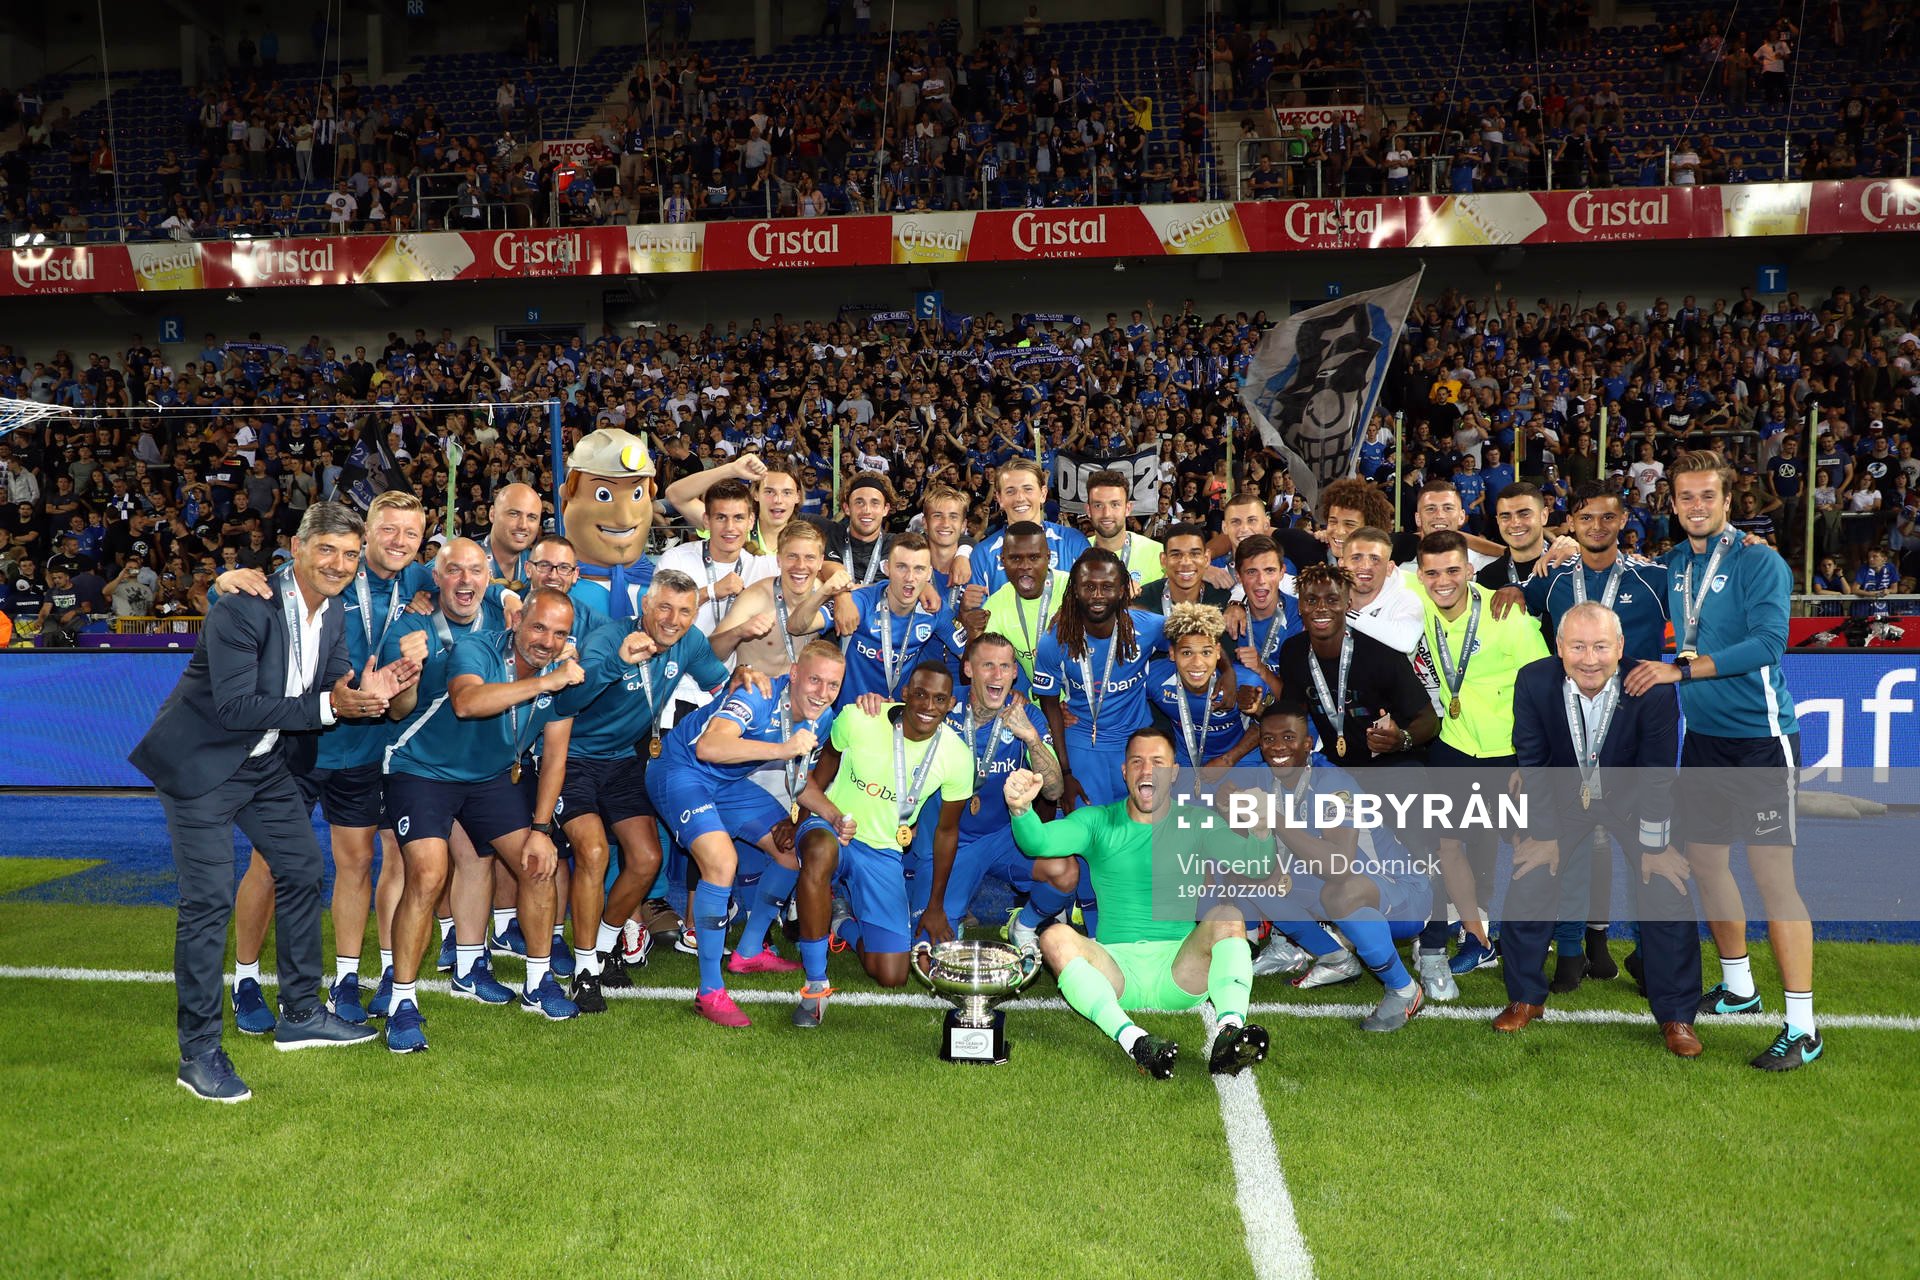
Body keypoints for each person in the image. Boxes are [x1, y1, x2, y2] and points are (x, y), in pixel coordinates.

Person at [130, 503, 400, 1102]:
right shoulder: (242, 605)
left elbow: (334, 678)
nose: (339, 563)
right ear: (297, 548)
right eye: (326, 549)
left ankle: (301, 1013)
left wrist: (366, 690)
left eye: (350, 554)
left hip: (264, 765)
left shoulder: (333, 615)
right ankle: (198, 1053)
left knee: (302, 868)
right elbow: (234, 709)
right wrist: (335, 708)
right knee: (207, 901)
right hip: (202, 765)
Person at [213, 490, 434, 1031]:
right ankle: (244, 980)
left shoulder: (419, 581)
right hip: (297, 744)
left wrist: (510, 599)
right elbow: (250, 593)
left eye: (411, 533)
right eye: (388, 530)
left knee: (357, 864)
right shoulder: (320, 573)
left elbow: (479, 583)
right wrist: (224, 581)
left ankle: (345, 980)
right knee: (269, 864)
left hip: (361, 751)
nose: (399, 542)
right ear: (367, 532)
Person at [1627, 450, 1819, 1070]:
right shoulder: (1675, 562)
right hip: (1705, 740)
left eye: (1708, 496)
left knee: (1773, 881)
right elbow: (1611, 572)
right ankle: (1740, 989)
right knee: (1706, 862)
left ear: (1728, 500)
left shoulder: (1760, 562)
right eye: (1685, 498)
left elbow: (1767, 644)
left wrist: (1678, 668)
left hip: (1762, 743)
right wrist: (1555, 554)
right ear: (1673, 502)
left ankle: (1803, 1027)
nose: (1696, 507)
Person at [380, 585, 587, 1051]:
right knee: (429, 873)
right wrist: (544, 683)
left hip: (489, 777)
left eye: (559, 634)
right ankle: (401, 1003)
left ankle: (537, 982)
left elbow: (555, 757)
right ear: (516, 621)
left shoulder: (565, 674)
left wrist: (540, 831)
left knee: (539, 866)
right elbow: (466, 703)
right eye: (537, 627)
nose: (546, 641)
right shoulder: (476, 646)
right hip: (422, 768)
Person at [1001, 729, 1270, 1079]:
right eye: (1137, 762)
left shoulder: (1197, 822)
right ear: (1124, 771)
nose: (1147, 771)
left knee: (1228, 916)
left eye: (1157, 762)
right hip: (1116, 974)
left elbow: (1257, 866)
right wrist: (1020, 810)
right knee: (1053, 936)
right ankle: (1136, 1041)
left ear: (1173, 772)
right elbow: (1037, 843)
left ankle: (1231, 1031)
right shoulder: (1098, 821)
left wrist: (1262, 831)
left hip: (1181, 971)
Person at [548, 570, 753, 1012]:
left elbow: (720, 683)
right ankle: (583, 971)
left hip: (624, 759)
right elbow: (564, 703)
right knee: (594, 853)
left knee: (646, 859)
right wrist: (619, 661)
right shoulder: (608, 639)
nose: (673, 619)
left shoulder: (690, 641)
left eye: (683, 611)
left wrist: (744, 680)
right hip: (574, 759)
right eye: (663, 607)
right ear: (645, 607)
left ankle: (602, 950)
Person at [1504, 603, 1702, 1056]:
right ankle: (1525, 997)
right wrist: (1544, 835)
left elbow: (1656, 774)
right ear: (1559, 648)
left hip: (1633, 803)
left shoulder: (1650, 689)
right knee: (1528, 876)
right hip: (1562, 800)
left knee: (1667, 887)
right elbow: (1532, 763)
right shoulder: (1534, 681)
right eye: (1577, 646)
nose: (1589, 659)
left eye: (1599, 647)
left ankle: (1676, 1015)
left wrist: (1654, 846)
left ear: (1621, 647)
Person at [646, 640, 842, 1027]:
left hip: (726, 785)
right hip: (680, 771)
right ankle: (709, 992)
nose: (823, 693)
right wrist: (785, 747)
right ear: (794, 675)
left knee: (791, 853)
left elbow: (798, 782)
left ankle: (749, 951)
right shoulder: (757, 693)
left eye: (833, 685)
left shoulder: (824, 716)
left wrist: (833, 815)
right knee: (722, 862)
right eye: (815, 680)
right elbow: (708, 746)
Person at [791, 662, 973, 1022]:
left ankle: (840, 922)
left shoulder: (958, 756)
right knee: (819, 852)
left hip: (884, 852)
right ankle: (815, 987)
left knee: (892, 974)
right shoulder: (859, 717)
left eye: (939, 699)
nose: (927, 705)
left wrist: (935, 906)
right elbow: (822, 771)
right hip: (833, 828)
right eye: (920, 694)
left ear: (951, 704)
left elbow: (947, 832)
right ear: (905, 693)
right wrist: (795, 816)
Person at [1411, 530, 1549, 996]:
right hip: (1452, 748)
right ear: (1419, 574)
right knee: (1449, 846)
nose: (1442, 581)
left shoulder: (1507, 613)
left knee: (1530, 849)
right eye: (1431, 572)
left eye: (1453, 570)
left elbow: (1546, 690)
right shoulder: (1416, 601)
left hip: (1509, 755)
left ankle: (1525, 938)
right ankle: (1476, 936)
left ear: (1470, 570)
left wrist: (1530, 761)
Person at [1236, 703, 1429, 1032]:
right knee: (1246, 873)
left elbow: (1339, 866)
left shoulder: (1333, 784)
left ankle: (1403, 989)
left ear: (1308, 743)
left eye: (1288, 738)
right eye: (1268, 739)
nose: (1277, 747)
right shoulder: (1266, 781)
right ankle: (1336, 958)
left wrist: (1274, 821)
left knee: (1340, 892)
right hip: (1341, 884)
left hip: (1402, 892)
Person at [915, 633, 1065, 948]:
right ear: (968, 669)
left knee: (1064, 872)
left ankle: (1024, 925)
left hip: (1003, 836)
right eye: (987, 666)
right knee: (926, 950)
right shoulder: (942, 703)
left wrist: (1032, 738)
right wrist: (870, 703)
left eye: (1004, 667)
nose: (997, 675)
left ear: (1014, 672)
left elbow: (1054, 791)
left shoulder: (1026, 715)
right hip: (948, 841)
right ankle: (847, 917)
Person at [1276, 562, 1437, 770]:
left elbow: (1430, 720)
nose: (1321, 608)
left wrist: (1402, 739)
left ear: (1348, 604)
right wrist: (1260, 709)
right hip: (1335, 764)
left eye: (1332, 600)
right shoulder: (1293, 651)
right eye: (1311, 600)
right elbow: (1294, 714)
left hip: (1393, 762)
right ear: (1300, 606)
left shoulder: (1381, 653)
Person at [786, 532, 959, 703]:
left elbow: (970, 656)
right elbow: (796, 626)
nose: (910, 578)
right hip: (851, 714)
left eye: (919, 569)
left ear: (929, 574)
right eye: (901, 567)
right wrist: (827, 592)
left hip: (896, 718)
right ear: (886, 568)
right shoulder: (861, 602)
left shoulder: (934, 609)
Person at [711, 520, 851, 679]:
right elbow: (712, 653)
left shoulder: (826, 593)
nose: (800, 565)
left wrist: (842, 596)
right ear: (778, 559)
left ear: (820, 562)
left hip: (798, 694)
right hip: (756, 692)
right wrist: (739, 632)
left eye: (810, 558)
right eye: (792, 556)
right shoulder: (756, 597)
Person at [1146, 603, 1262, 769]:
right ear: (1172, 653)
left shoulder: (1246, 682)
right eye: (1187, 653)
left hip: (1241, 760)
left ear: (1217, 651)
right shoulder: (1155, 678)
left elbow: (1270, 721)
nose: (1197, 663)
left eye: (1206, 652)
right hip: (1185, 761)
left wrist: (1228, 759)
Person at [952, 521, 1067, 688]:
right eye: (1015, 558)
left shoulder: (1073, 589)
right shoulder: (996, 605)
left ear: (1048, 558)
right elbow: (967, 678)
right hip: (1043, 700)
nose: (1025, 566)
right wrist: (973, 637)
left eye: (1034, 557)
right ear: (1003, 561)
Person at [967, 458, 1091, 595]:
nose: (1020, 498)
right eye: (1010, 491)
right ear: (999, 498)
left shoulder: (1073, 542)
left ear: (1043, 494)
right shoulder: (983, 554)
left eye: (1028, 489)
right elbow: (976, 612)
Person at [1340, 525, 1425, 652]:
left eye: (1375, 559)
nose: (1365, 566)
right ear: (1341, 564)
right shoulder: (1326, 593)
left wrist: (1343, 614)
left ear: (1389, 568)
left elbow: (1405, 641)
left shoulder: (1406, 599)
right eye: (1356, 558)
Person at [1084, 467, 1163, 591]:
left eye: (1115, 504)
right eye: (1098, 505)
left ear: (1128, 508)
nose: (1106, 513)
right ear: (1088, 510)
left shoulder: (1158, 553)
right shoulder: (1076, 552)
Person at [1134, 522, 1232, 617]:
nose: (1186, 562)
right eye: (1176, 555)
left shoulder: (1224, 602)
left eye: (1194, 554)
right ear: (1163, 560)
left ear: (1206, 559)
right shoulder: (1142, 602)